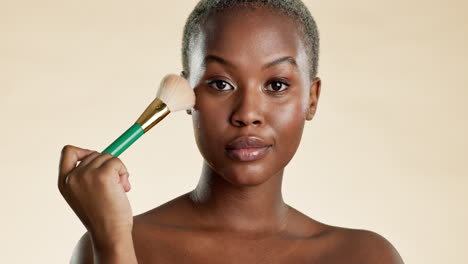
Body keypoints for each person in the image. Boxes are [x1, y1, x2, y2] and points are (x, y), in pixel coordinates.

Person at [58, 0, 404, 263]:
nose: (247, 114)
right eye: (220, 83)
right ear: (189, 94)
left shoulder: (364, 256)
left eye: (277, 84)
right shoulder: (108, 244)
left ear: (311, 99)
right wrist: (114, 239)